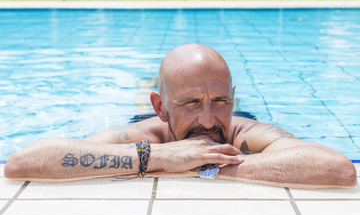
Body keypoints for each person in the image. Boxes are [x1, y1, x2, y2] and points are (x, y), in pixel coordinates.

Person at [4, 43, 357, 189]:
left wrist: (207, 163)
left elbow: (339, 169)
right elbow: (22, 163)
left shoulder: (244, 131)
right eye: (190, 104)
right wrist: (157, 158)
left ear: (233, 99)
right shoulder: (146, 134)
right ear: (161, 108)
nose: (207, 121)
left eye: (220, 100)